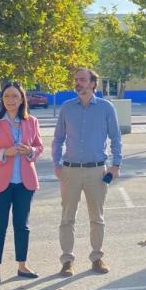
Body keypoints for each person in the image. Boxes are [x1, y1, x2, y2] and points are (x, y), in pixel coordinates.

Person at [52, 68, 122, 276]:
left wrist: (116, 164)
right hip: (70, 171)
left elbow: (116, 138)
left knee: (96, 217)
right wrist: (57, 165)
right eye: (76, 80)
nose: (78, 83)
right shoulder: (66, 108)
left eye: (82, 80)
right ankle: (67, 261)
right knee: (67, 218)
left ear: (93, 83)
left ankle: (97, 258)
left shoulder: (106, 108)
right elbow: (57, 139)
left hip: (96, 171)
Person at [0, 81, 43, 283]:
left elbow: (39, 147)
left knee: (22, 226)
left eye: (15, 96)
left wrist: (30, 151)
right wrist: (4, 152)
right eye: (6, 96)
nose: (10, 100)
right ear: (2, 99)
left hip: (25, 183)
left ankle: (22, 266)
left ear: (22, 98)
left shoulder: (31, 121)